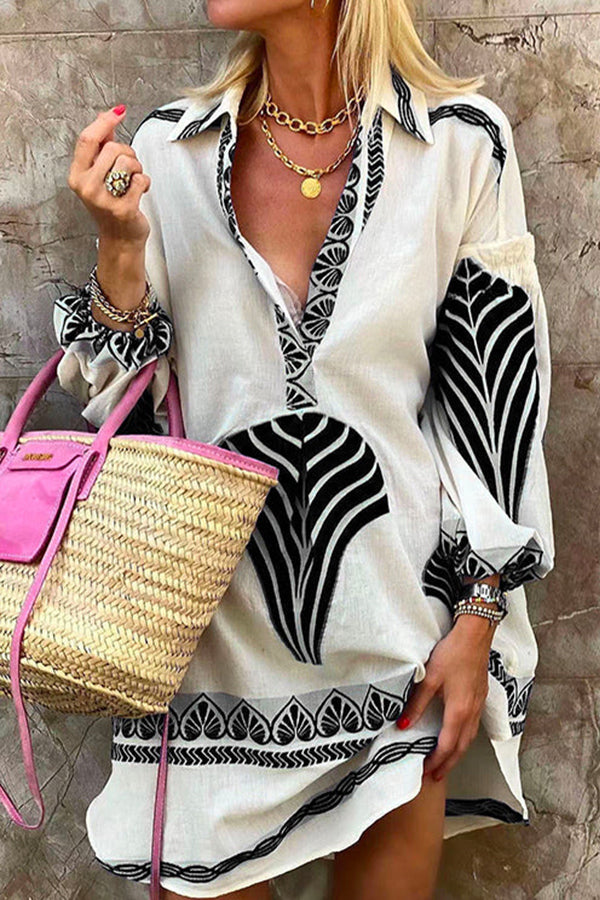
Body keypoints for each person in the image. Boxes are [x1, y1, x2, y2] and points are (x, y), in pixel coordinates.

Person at [52, 0, 555, 897]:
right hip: (207, 665)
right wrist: (121, 246)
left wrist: (478, 615)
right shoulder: (168, 153)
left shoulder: (459, 145)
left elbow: (493, 402)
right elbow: (115, 405)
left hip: (400, 656)